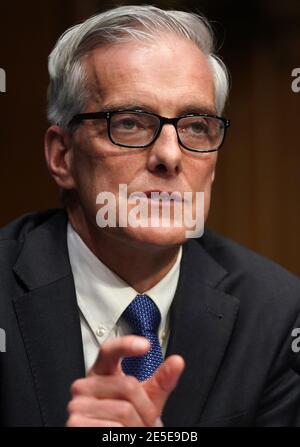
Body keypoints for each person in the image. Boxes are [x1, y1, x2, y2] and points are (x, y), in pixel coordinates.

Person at [1, 5, 300, 428]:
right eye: (129, 123)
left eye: (196, 126)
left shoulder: (277, 314)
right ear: (62, 156)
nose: (170, 155)